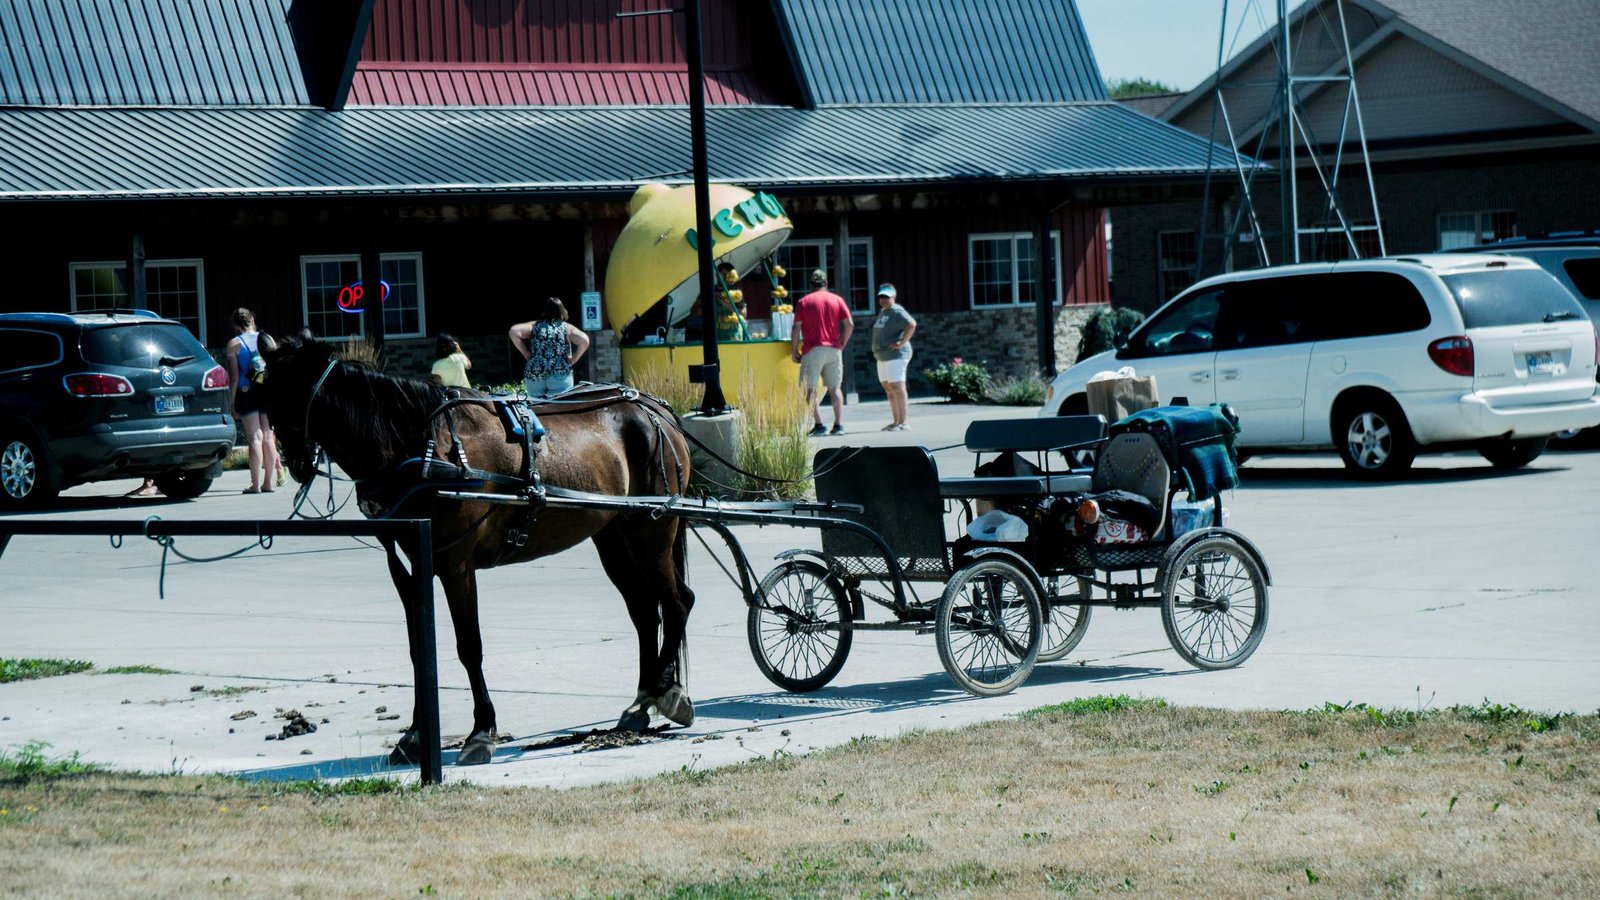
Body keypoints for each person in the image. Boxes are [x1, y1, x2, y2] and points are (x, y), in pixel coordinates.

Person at [791, 269, 854, 435]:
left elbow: (796, 328)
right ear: (826, 284)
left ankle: (819, 425)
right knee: (835, 388)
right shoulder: (836, 299)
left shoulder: (804, 301)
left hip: (812, 349)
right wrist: (842, 343)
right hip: (833, 349)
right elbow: (849, 324)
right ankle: (838, 425)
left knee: (809, 389)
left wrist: (794, 350)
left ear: (810, 285)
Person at [226, 307, 280, 494]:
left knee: (254, 438)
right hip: (265, 390)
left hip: (246, 391)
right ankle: (269, 483)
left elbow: (233, 377)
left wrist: (231, 402)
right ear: (252, 320)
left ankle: (255, 485)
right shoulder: (268, 339)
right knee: (267, 436)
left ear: (235, 324)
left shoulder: (234, 344)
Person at [510, 297, 590, 398]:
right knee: (559, 408)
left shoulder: (535, 326)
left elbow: (513, 331)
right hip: (559, 373)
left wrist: (525, 352)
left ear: (546, 311)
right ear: (562, 310)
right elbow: (584, 340)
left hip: (535, 373)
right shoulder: (566, 328)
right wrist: (573, 359)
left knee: (536, 409)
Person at [870, 283, 917, 431]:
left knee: (897, 386)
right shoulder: (884, 312)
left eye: (887, 297)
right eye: (881, 296)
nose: (883, 299)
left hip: (896, 355)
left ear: (894, 298)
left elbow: (911, 324)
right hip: (882, 356)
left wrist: (901, 343)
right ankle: (896, 421)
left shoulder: (896, 310)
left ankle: (904, 422)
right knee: (888, 387)